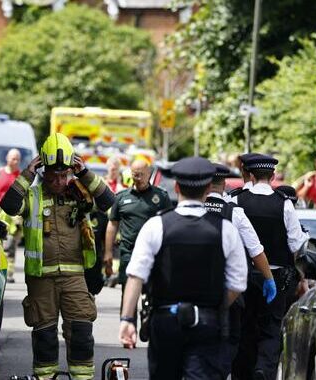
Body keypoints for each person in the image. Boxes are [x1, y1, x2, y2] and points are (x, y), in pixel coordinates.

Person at [119, 157, 247, 379]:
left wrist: (127, 320)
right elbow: (237, 283)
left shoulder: (156, 225)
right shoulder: (225, 230)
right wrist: (213, 307)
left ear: (176, 187)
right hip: (208, 324)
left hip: (165, 321)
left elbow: (136, 275)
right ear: (208, 189)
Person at [0, 133, 115, 380]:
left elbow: (107, 201)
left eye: (65, 175)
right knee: (45, 335)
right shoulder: (32, 196)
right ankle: (45, 377)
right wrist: (27, 173)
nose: (60, 181)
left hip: (74, 276)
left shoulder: (79, 194)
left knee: (82, 332)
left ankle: (82, 378)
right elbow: (9, 206)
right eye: (54, 175)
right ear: (43, 172)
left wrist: (84, 173)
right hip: (42, 278)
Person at [231, 154, 309, 380]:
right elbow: (296, 242)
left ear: (251, 176)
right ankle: (263, 369)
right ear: (273, 176)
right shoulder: (284, 203)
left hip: (243, 276)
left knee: (244, 325)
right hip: (275, 278)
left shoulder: (237, 200)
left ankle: (242, 373)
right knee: (271, 327)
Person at [204, 163, 276, 377]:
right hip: (229, 294)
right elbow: (256, 250)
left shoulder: (192, 210)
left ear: (205, 184)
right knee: (228, 344)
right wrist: (269, 279)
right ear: (224, 184)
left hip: (195, 291)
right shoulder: (234, 212)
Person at [104, 159, 171, 317]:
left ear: (149, 174)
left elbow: (169, 224)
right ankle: (128, 331)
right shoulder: (121, 197)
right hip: (128, 253)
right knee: (127, 295)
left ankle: (149, 325)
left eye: (141, 174)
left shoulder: (161, 196)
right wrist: (107, 252)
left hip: (154, 255)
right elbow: (112, 225)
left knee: (154, 294)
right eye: (135, 175)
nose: (138, 178)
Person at [0, 148, 23, 283]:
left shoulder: (21, 177)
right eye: (12, 158)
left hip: (13, 216)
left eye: (17, 159)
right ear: (7, 158)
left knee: (10, 245)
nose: (14, 161)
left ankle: (8, 274)